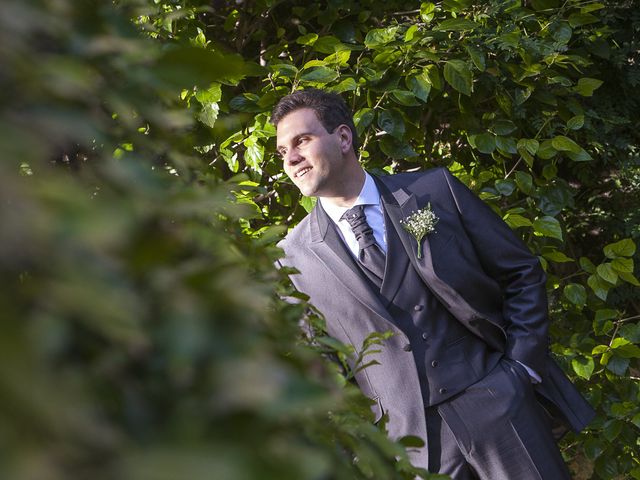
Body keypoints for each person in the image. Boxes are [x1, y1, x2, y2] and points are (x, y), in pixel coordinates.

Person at [273, 88, 594, 479]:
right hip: (413, 452)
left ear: (343, 138)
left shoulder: (432, 192)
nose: (291, 159)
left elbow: (520, 272)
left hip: (501, 409)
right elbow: (321, 367)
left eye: (302, 141)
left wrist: (521, 370)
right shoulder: (294, 255)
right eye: (282, 151)